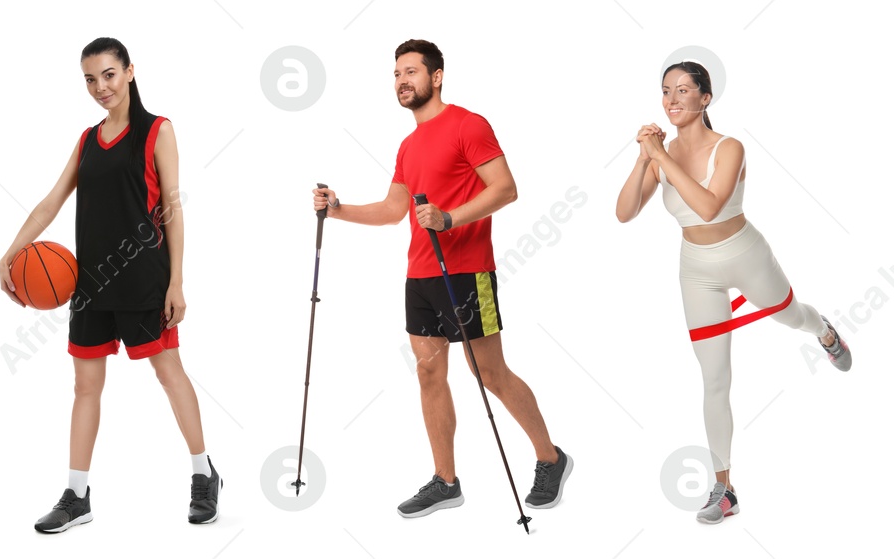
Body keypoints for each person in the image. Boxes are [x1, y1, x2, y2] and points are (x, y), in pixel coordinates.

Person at [311, 39, 571, 519]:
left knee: (488, 371)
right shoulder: (408, 145)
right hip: (421, 274)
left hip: (469, 272)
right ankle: (446, 480)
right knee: (429, 372)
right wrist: (340, 209)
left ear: (438, 76)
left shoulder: (468, 125)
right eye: (396, 74)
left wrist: (449, 219)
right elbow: (395, 210)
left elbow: (507, 189)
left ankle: (551, 458)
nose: (402, 80)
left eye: (411, 71)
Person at [0, 37, 221, 533]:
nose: (101, 87)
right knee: (85, 386)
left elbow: (173, 211)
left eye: (109, 75)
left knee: (169, 374)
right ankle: (77, 495)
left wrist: (177, 282)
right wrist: (11, 253)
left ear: (130, 72)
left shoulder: (157, 130)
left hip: (144, 280)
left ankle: (204, 475)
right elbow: (52, 202)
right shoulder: (86, 139)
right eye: (90, 80)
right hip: (91, 283)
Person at [613, 60, 851, 525]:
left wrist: (659, 157)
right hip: (696, 270)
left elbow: (707, 206)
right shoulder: (659, 155)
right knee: (715, 377)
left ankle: (823, 330)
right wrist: (643, 158)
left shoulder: (731, 147)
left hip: (745, 254)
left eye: (684, 90)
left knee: (791, 317)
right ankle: (724, 487)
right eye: (666, 91)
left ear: (706, 98)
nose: (672, 99)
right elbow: (623, 213)